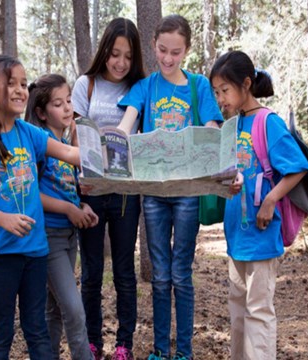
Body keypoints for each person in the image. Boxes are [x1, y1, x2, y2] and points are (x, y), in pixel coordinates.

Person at [0, 55, 81, 359]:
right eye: (11, 84)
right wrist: (3, 219)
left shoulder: (29, 134)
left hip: (35, 251)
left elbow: (71, 154)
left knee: (37, 329)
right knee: (2, 333)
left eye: (23, 84)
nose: (21, 90)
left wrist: (114, 150)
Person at [116, 14, 223, 360]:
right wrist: (110, 143)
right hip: (155, 195)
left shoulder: (198, 86)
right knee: (160, 276)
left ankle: (184, 351)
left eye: (175, 52)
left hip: (188, 192)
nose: (167, 58)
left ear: (186, 51)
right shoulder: (146, 87)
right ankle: (161, 350)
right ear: (153, 45)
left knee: (181, 273)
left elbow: (210, 129)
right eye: (162, 50)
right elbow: (126, 124)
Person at [210, 50, 308, 359]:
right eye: (216, 92)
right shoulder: (234, 124)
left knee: (258, 310)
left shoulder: (268, 122)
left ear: (246, 84)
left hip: (262, 235)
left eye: (224, 90)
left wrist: (269, 200)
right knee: (238, 309)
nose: (220, 99)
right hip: (237, 235)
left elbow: (297, 167)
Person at [71, 17, 145, 360]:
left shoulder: (139, 88)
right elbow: (73, 135)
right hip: (90, 190)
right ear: (104, 51)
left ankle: (124, 344)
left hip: (127, 193)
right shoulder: (85, 85)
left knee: (124, 273)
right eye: (115, 54)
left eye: (128, 56)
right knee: (91, 272)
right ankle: (92, 341)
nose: (120, 63)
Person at [25, 74, 99, 359]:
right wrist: (68, 209)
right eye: (58, 104)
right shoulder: (40, 142)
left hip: (69, 237)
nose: (68, 108)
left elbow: (65, 189)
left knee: (54, 310)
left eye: (69, 101)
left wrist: (80, 205)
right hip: (48, 237)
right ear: (42, 113)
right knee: (73, 310)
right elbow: (31, 193)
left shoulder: (64, 141)